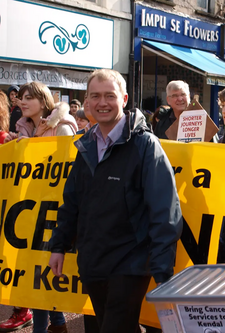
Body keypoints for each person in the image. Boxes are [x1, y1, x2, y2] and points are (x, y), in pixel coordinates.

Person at [48, 69, 182, 333]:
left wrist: (163, 271)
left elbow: (165, 211)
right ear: (87, 101)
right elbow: (72, 201)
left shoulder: (146, 145)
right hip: (93, 259)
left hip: (131, 262)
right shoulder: (85, 144)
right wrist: (59, 245)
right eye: (95, 96)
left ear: (124, 98)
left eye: (110, 95)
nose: (102, 103)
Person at [3, 82, 77, 333]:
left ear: (43, 101)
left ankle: (49, 327)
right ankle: (57, 325)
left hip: (54, 209)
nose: (22, 102)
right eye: (21, 98)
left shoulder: (63, 127)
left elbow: (65, 169)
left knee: (44, 271)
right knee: (37, 271)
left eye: (28, 97)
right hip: (30, 206)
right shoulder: (22, 128)